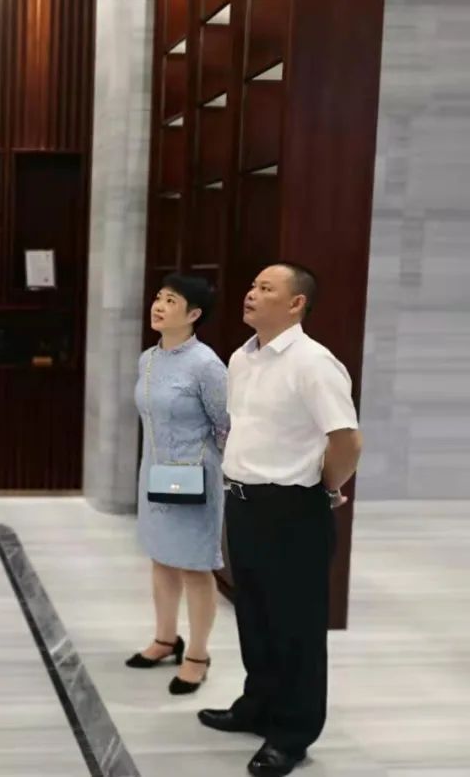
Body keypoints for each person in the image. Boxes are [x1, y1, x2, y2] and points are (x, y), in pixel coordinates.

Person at [198, 263, 363, 777]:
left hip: (293, 510)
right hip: (244, 503)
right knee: (255, 615)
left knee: (296, 627)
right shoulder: (241, 358)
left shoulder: (313, 363)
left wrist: (326, 486)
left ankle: (293, 733)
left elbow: (347, 440)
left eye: (266, 288)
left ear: (296, 304)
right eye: (252, 285)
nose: (251, 293)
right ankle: (258, 706)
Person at [127, 274, 230, 695]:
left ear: (194, 314)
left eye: (171, 300)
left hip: (194, 477)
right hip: (154, 472)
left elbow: (226, 424)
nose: (159, 305)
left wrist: (204, 464)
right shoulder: (148, 359)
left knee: (194, 565)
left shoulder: (206, 364)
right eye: (159, 297)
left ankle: (198, 655)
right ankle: (165, 639)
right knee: (161, 558)